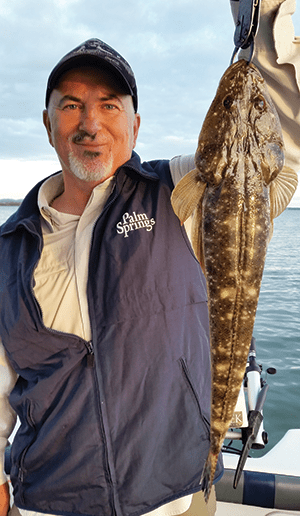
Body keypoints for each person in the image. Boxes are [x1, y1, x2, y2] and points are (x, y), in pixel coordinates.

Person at [0, 1, 299, 516]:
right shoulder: (7, 252)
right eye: (71, 105)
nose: (90, 123)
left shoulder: (181, 190)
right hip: (49, 501)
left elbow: (283, 135)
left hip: (176, 497)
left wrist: (266, 15)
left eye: (110, 105)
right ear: (47, 125)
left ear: (135, 127)